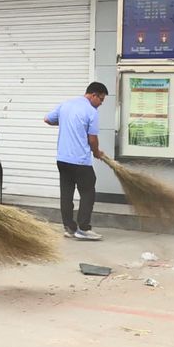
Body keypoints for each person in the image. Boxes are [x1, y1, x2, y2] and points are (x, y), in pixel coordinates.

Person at [44, 82, 107, 240]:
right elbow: (92, 139)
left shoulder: (66, 105)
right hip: (80, 161)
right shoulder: (91, 112)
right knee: (88, 192)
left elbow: (47, 119)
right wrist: (97, 152)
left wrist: (65, 122)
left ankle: (69, 228)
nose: (101, 103)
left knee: (66, 193)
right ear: (93, 95)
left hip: (62, 159)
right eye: (101, 99)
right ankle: (84, 228)